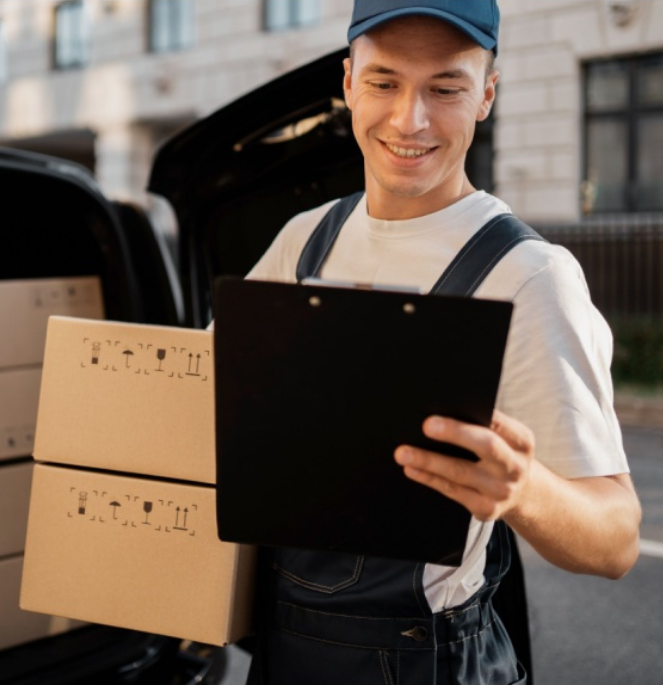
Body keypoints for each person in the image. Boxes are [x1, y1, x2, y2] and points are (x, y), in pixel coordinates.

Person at [242, 1, 643, 683]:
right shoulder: (304, 240)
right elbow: (204, 416)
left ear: (486, 93)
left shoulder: (529, 275)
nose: (409, 119)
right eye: (384, 82)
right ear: (347, 83)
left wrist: (523, 489)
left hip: (423, 661)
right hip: (284, 651)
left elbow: (616, 539)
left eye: (445, 88)